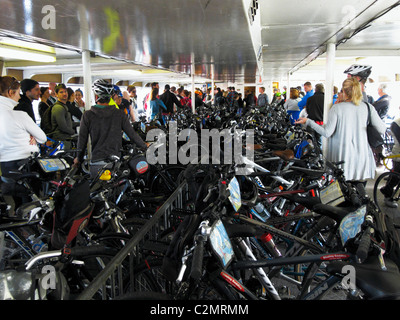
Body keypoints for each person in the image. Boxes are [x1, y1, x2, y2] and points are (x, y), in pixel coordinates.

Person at [295, 77, 386, 183]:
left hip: (342, 158)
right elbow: (382, 129)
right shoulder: (368, 107)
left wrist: (308, 121)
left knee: (343, 194)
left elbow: (327, 132)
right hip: (362, 159)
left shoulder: (337, 108)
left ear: (344, 92)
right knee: (360, 193)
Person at [74, 79, 148, 178]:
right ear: (111, 97)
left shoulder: (88, 115)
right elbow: (132, 134)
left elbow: (82, 140)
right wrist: (144, 145)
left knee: (97, 192)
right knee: (116, 191)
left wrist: (78, 159)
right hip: (115, 162)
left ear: (96, 96)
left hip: (97, 162)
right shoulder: (119, 114)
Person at [0, 76, 47, 208]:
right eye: (18, 92)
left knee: (15, 202)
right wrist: (30, 133)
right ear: (10, 93)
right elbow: (42, 138)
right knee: (30, 204)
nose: (20, 97)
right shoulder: (19, 115)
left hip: (5, 166)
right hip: (25, 165)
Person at [380, 117, 400, 208]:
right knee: (396, 176)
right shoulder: (396, 124)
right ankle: (387, 194)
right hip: (398, 154)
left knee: (395, 174)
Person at [372, 83, 392, 166]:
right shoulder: (383, 99)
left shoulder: (385, 100)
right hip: (378, 123)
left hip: (378, 124)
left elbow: (373, 107)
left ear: (380, 90)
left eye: (378, 89)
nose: (377, 91)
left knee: (377, 143)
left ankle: (379, 160)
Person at [50, 83, 76, 149]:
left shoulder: (63, 106)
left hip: (65, 139)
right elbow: (63, 127)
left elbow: (68, 123)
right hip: (62, 141)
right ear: (56, 94)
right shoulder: (58, 108)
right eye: (61, 92)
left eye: (65, 91)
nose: (64, 94)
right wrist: (73, 132)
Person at [305, 83, 325, 147]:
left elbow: (307, 111)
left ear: (315, 90)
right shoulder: (325, 99)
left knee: (310, 142)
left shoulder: (310, 99)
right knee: (319, 142)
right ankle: (319, 155)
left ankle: (311, 155)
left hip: (310, 122)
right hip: (320, 124)